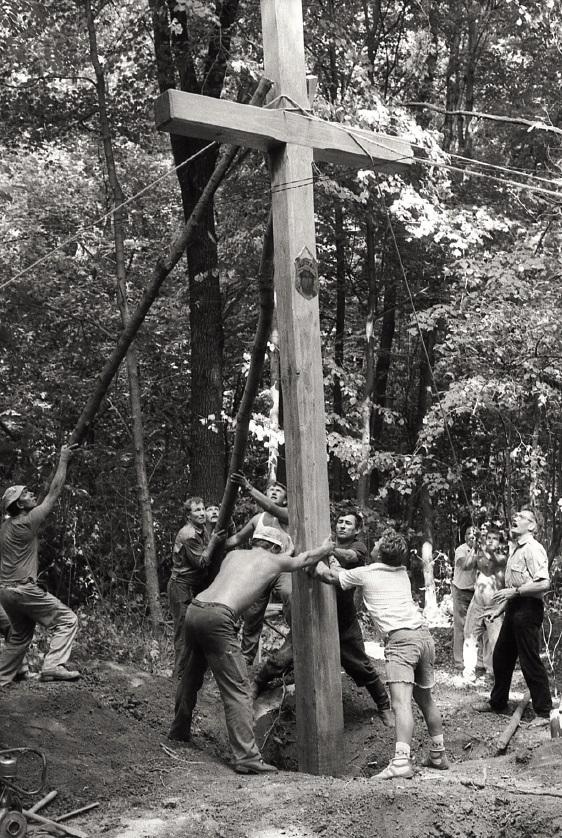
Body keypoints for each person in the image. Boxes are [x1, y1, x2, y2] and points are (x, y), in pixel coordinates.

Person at [168, 525, 334, 774]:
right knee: (239, 690)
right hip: (218, 618)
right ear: (277, 548)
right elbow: (305, 559)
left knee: (191, 676)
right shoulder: (274, 561)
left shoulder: (233, 555)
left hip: (196, 608)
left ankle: (179, 731)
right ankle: (246, 757)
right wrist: (325, 548)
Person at [316, 527, 449, 779]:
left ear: (379, 553)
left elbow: (329, 576)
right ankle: (438, 754)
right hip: (423, 636)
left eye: (376, 543)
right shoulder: (402, 573)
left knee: (400, 704)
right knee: (425, 700)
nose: (373, 545)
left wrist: (315, 556)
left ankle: (400, 763)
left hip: (401, 642)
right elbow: (343, 572)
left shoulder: (366, 574)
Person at [252, 511, 393, 727]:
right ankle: (256, 686)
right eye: (340, 522)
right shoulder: (322, 543)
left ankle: (384, 706)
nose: (343, 525)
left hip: (343, 620)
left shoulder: (358, 547)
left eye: (348, 523)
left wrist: (327, 550)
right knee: (282, 658)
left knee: (361, 666)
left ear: (357, 530)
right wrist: (320, 549)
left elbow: (350, 557)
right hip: (312, 615)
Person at [0, 444, 80, 686]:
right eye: (25, 494)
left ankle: (2, 678)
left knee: (19, 637)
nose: (31, 493)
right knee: (67, 620)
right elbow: (54, 492)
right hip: (23, 590)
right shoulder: (28, 520)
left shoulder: (4, 528)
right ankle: (53, 665)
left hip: (5, 592)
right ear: (20, 506)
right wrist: (63, 459)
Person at [474, 509, 552, 719]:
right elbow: (515, 588)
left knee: (529, 661)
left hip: (528, 610)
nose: (515, 518)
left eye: (522, 516)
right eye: (515, 515)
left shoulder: (534, 549)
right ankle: (498, 703)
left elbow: (544, 583)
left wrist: (515, 592)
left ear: (532, 526)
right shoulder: (516, 549)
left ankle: (544, 713)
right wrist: (499, 610)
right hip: (515, 608)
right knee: (501, 657)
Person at [226, 473, 293, 664]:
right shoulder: (258, 519)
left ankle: (296, 633)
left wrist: (248, 487)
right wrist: (216, 544)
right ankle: (247, 660)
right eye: (271, 489)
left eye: (278, 490)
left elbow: (271, 507)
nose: (273, 492)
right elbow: (238, 538)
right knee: (253, 614)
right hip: (259, 568)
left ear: (285, 498)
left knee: (290, 593)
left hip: (281, 566)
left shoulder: (288, 515)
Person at [168, 497, 223, 678]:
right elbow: (201, 562)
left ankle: (193, 673)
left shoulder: (203, 530)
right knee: (183, 632)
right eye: (196, 511)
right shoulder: (189, 535)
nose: (201, 513)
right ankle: (177, 677)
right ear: (188, 516)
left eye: (202, 509)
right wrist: (214, 540)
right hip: (181, 586)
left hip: (193, 586)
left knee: (197, 628)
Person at [462, 526, 506, 684]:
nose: (490, 541)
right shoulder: (480, 555)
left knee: (495, 641)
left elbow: (492, 566)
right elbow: (466, 566)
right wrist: (474, 549)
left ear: (499, 542)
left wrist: (484, 549)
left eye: (494, 538)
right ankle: (468, 672)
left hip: (494, 607)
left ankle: (494, 673)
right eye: (489, 538)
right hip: (477, 604)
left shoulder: (501, 557)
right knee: (470, 637)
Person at [451, 526, 478, 670]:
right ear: (464, 536)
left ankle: (474, 662)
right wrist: (474, 549)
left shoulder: (483, 550)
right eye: (468, 533)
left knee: (475, 627)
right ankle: (458, 662)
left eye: (474, 534)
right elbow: (466, 565)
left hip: (475, 592)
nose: (471, 536)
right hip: (460, 591)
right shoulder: (461, 550)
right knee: (460, 627)